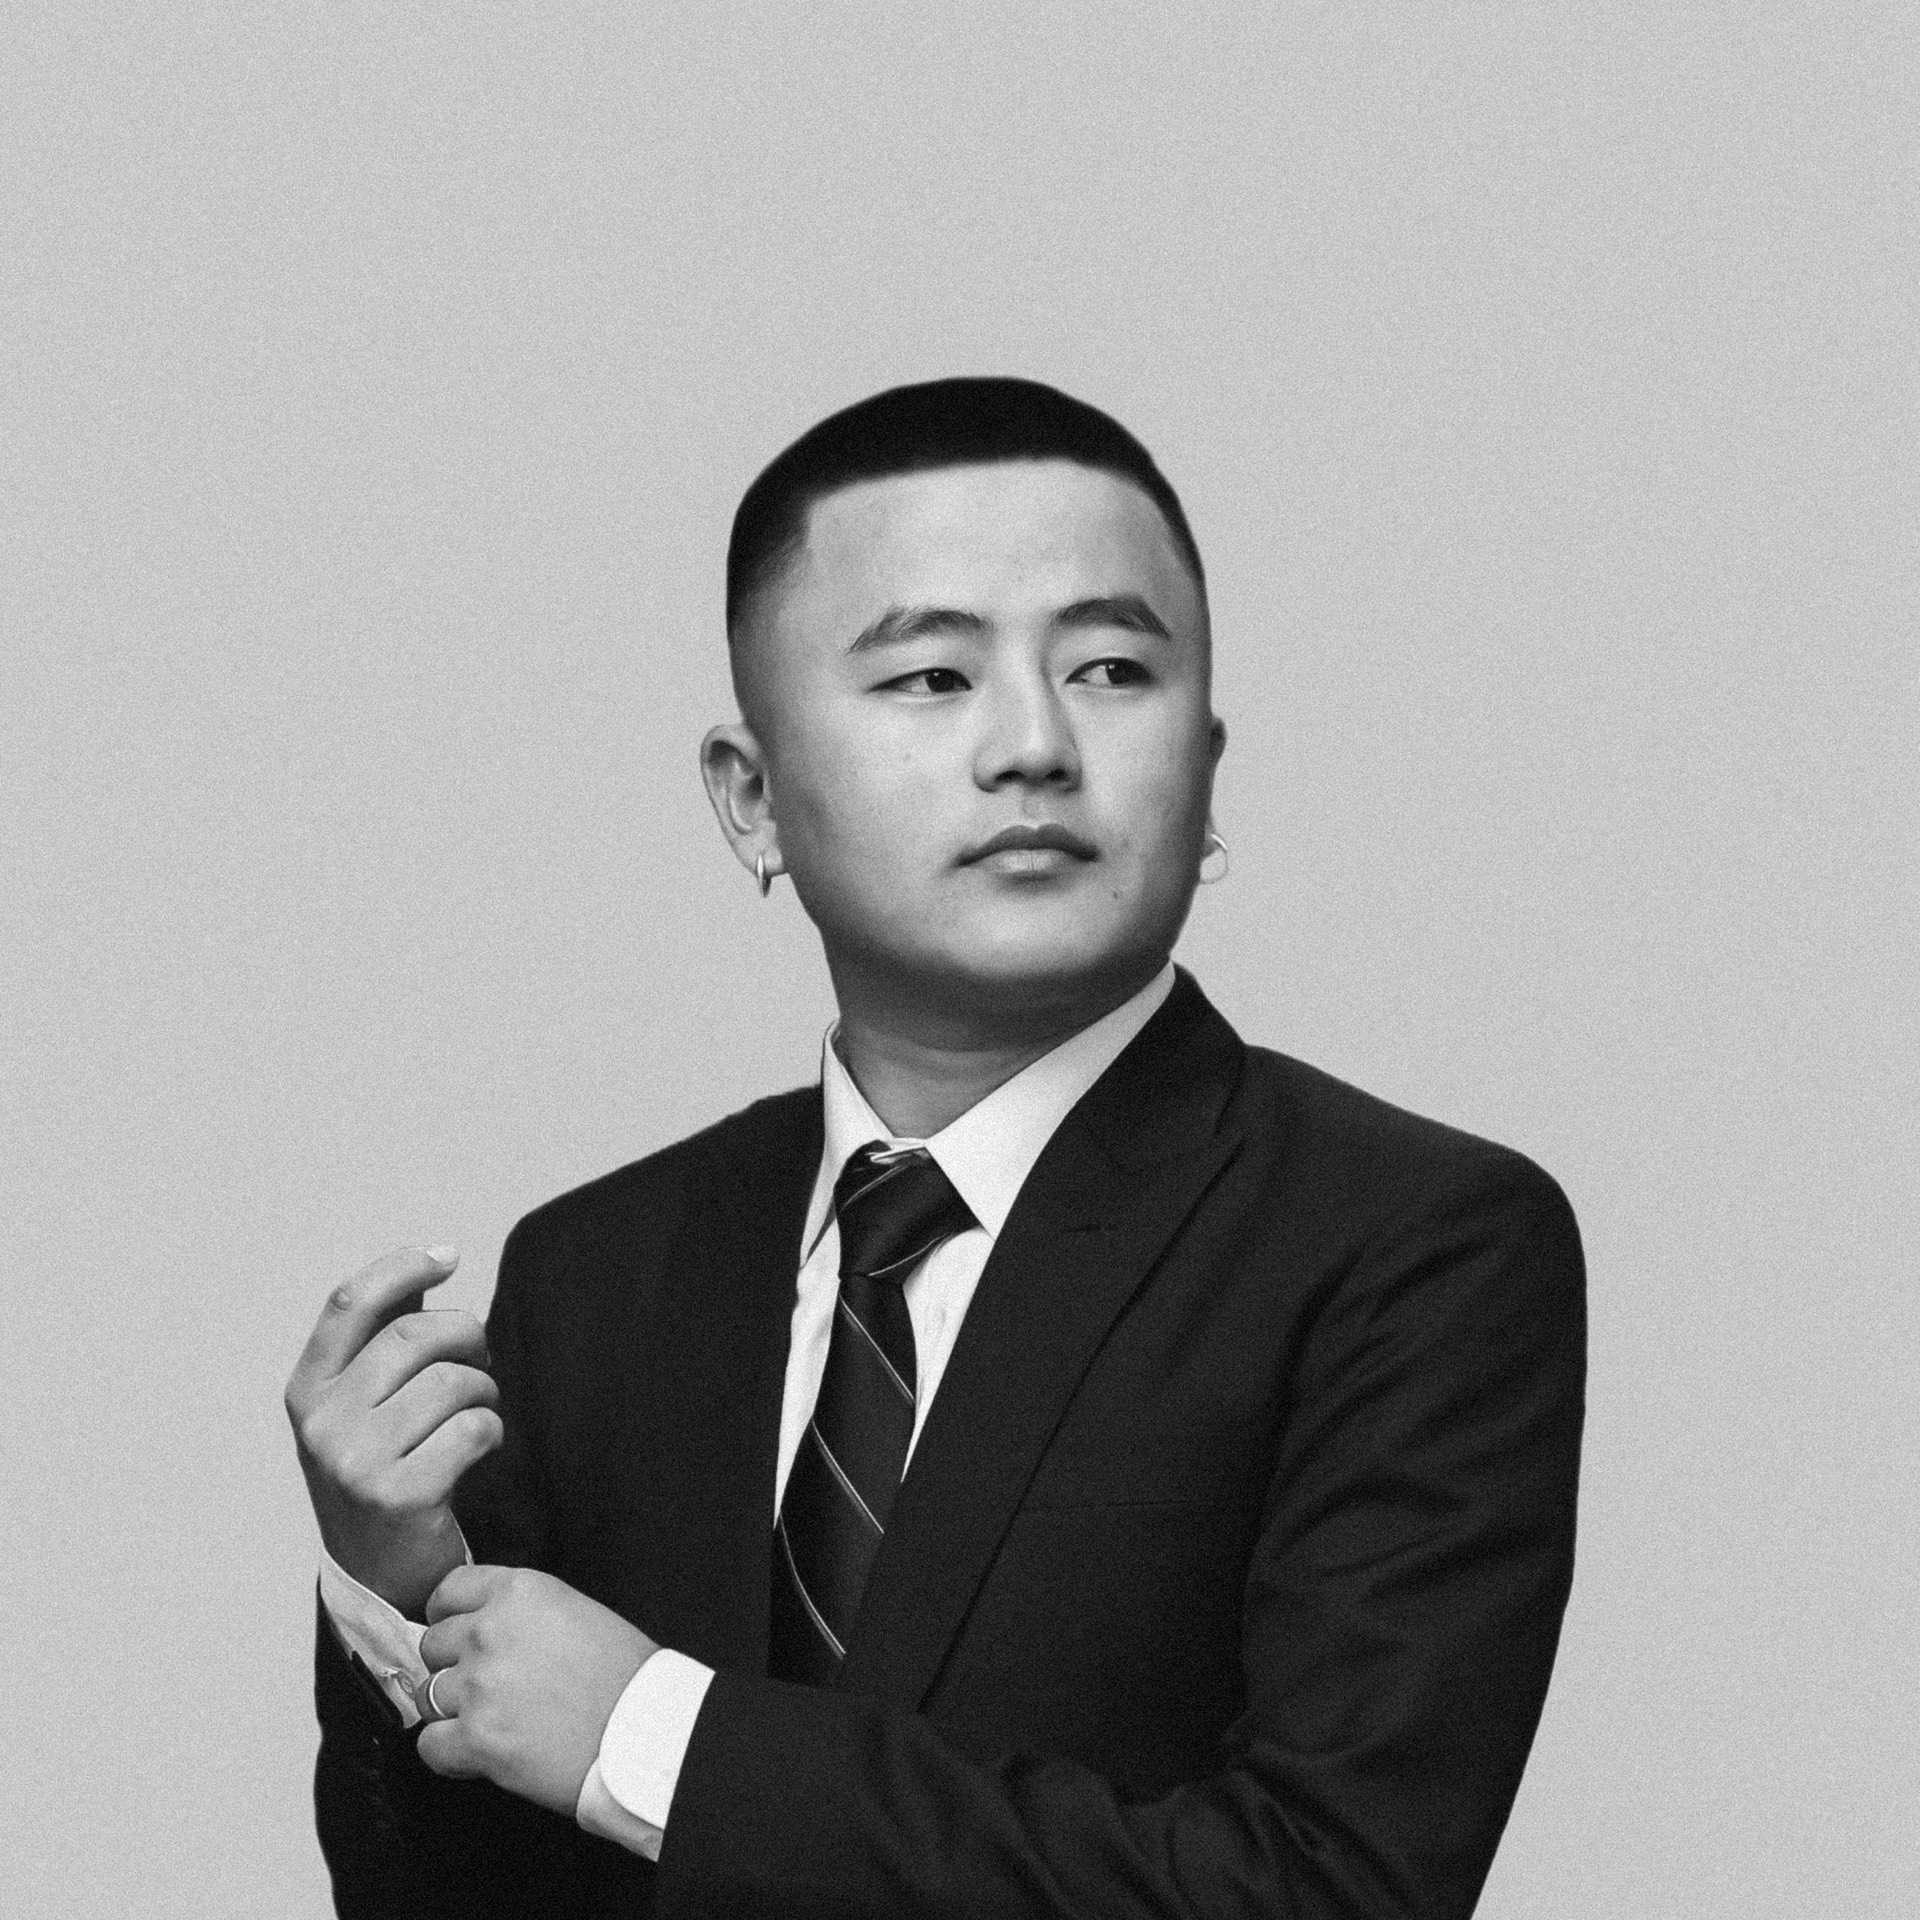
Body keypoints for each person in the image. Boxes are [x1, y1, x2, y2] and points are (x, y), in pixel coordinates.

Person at [287, 376, 1586, 1919]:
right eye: (930, 677)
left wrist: (660, 1743)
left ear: (1208, 765)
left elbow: (1330, 1889)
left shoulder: (1413, 1244)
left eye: (1112, 669)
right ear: (753, 800)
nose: (1034, 744)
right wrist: (405, 1578)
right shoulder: (606, 1268)